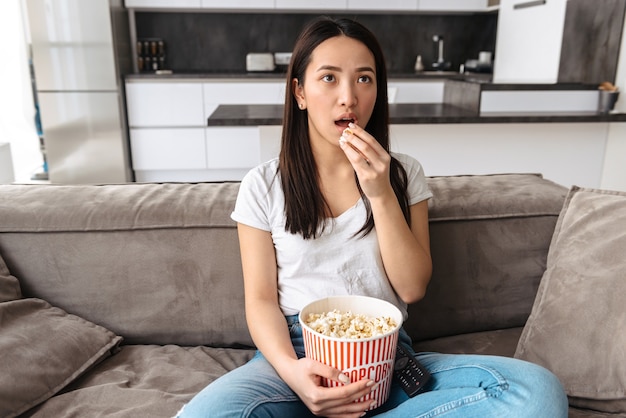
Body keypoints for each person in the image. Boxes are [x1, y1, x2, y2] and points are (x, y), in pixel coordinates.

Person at [177, 16, 568, 418]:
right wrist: (294, 374)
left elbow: (412, 287)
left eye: (364, 79)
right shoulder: (262, 184)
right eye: (329, 78)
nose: (349, 97)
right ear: (300, 92)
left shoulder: (404, 174)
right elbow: (260, 301)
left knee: (537, 392)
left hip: (385, 354)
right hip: (297, 353)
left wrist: (380, 193)